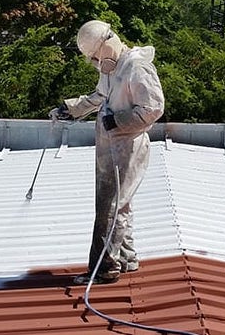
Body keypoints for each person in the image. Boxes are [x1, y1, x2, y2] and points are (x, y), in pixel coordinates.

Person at [50, 20, 165, 285]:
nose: (93, 61)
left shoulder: (137, 66)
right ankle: (126, 258)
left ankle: (105, 268)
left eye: (94, 55)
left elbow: (153, 108)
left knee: (111, 207)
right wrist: (70, 108)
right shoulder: (111, 68)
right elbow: (99, 96)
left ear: (105, 46)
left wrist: (120, 121)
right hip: (111, 146)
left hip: (128, 145)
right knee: (118, 203)